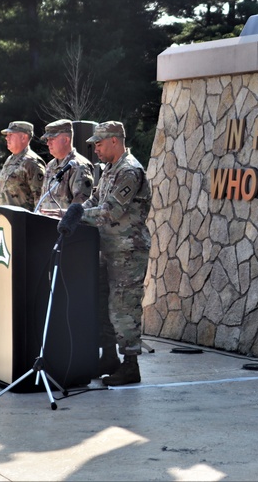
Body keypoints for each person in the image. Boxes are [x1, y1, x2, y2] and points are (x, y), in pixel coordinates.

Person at [80, 121, 152, 386]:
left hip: (128, 252)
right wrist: (71, 211)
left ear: (114, 141)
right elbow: (95, 201)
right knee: (103, 305)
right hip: (107, 249)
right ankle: (109, 357)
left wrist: (79, 216)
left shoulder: (130, 171)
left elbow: (110, 210)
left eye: (98, 144)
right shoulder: (110, 170)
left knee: (123, 308)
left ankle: (131, 365)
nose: (95, 149)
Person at [35, 119, 94, 215]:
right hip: (45, 225)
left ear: (66, 140)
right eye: (47, 140)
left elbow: (80, 207)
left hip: (65, 228)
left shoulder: (79, 166)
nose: (48, 143)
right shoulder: (50, 165)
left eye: (52, 139)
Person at [0, 121, 45, 209]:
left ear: (23, 138)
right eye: (7, 135)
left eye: (11, 135)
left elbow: (41, 201)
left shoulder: (32, 163)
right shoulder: (9, 160)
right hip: (5, 219)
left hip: (23, 220)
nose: (7, 138)